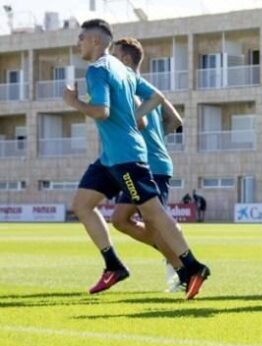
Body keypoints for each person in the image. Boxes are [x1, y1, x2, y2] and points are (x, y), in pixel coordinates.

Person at [65, 19, 210, 299]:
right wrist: (134, 117)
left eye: (81, 38)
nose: (78, 43)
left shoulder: (97, 70)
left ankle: (192, 267)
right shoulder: (121, 69)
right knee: (82, 205)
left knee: (153, 214)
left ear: (95, 41)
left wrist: (74, 103)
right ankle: (113, 265)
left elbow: (101, 111)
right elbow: (156, 96)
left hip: (126, 157)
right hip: (109, 158)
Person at [109, 37, 186, 293]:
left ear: (127, 60)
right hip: (144, 163)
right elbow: (175, 120)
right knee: (120, 219)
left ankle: (181, 263)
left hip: (152, 165)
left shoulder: (127, 88)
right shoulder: (148, 90)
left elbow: (163, 121)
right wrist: (158, 138)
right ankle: (171, 250)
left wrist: (149, 141)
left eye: (113, 55)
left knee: (152, 222)